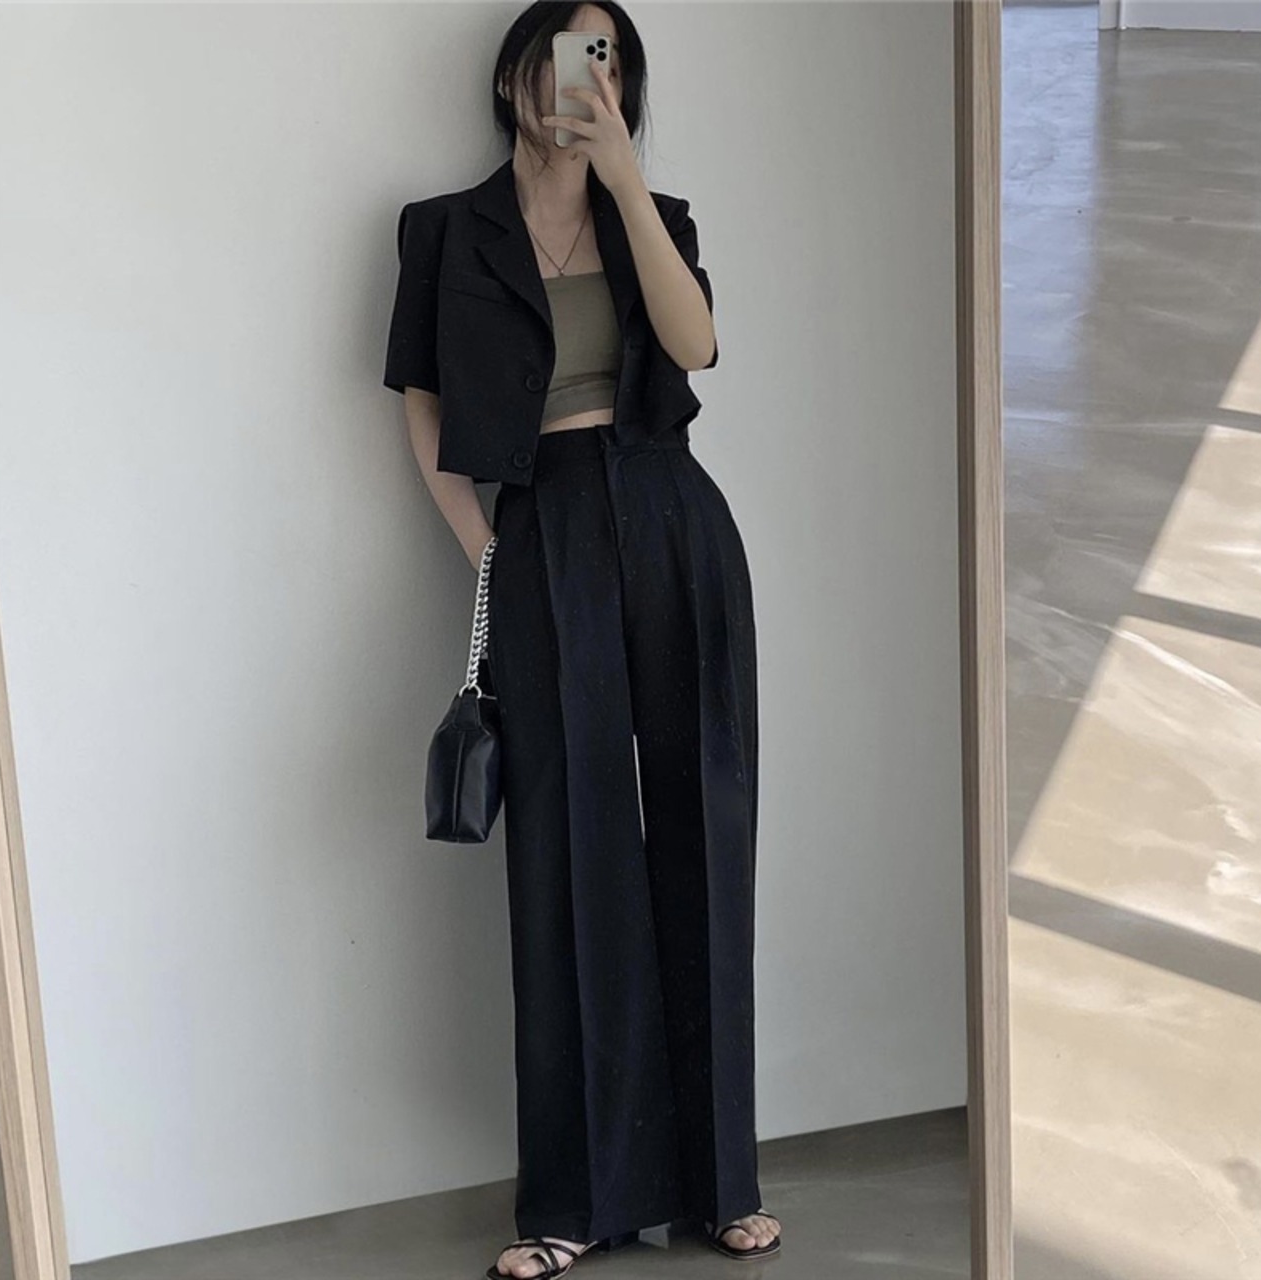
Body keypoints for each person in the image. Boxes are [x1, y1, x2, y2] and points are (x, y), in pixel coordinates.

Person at [383, 5, 781, 1276]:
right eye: (565, 53)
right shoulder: (445, 230)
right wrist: (489, 553)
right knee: (564, 850)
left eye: (605, 59)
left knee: (706, 832)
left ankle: (718, 1183)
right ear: (515, 73)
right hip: (541, 525)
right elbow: (422, 404)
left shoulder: (655, 215)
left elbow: (696, 346)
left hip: (670, 516)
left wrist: (625, 185)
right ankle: (570, 1200)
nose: (580, 77)